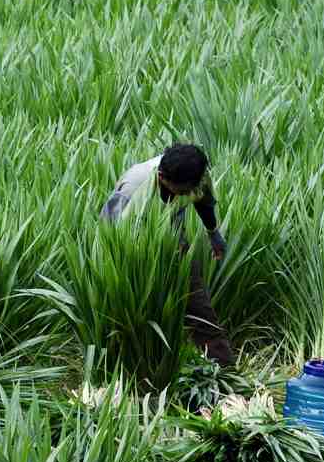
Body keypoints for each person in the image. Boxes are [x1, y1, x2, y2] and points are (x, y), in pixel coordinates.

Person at [100, 143, 234, 366]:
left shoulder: (195, 174)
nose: (187, 195)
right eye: (181, 192)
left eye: (190, 189)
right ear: (161, 177)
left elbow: (203, 200)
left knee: (198, 304)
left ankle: (223, 369)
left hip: (172, 238)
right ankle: (128, 367)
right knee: (138, 310)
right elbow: (111, 233)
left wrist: (213, 233)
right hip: (130, 245)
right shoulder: (133, 188)